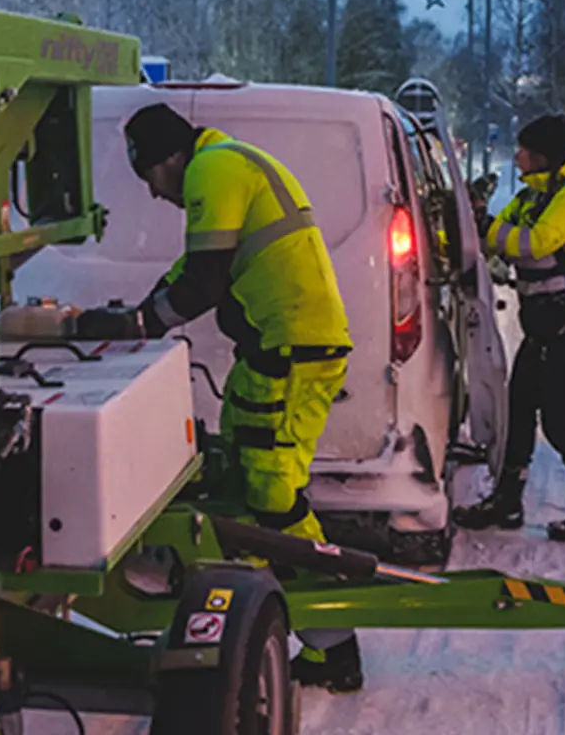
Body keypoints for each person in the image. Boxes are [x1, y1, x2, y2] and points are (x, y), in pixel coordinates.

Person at [75, 103, 364, 693]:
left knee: (271, 492)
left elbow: (204, 282)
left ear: (169, 158)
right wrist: (134, 315)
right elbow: (191, 270)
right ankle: (246, 619)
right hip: (273, 350)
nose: (155, 194)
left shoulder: (213, 169)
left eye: (150, 177)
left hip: (290, 348)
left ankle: (335, 647)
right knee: (237, 477)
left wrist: (139, 327)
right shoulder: (230, 163)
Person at [453, 114, 565, 542]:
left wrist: (488, 227)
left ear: (543, 154)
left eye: (525, 150)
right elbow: (496, 236)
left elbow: (535, 243)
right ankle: (507, 501)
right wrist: (473, 219)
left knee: (561, 418)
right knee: (520, 407)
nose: (519, 156)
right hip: (548, 321)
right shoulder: (532, 196)